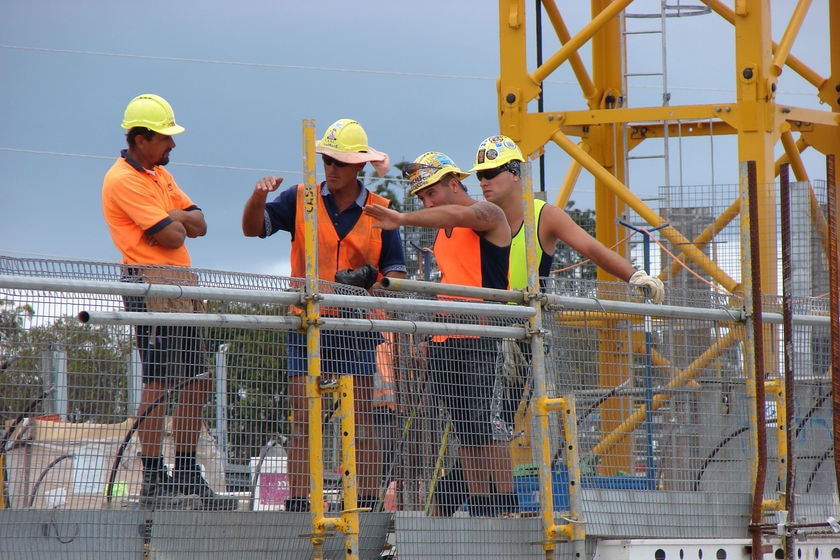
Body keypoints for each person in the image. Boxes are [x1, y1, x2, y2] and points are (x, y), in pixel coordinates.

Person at [241, 118, 407, 512]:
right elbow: (252, 230)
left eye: (339, 162)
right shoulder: (301, 198)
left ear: (359, 167)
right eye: (327, 161)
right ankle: (299, 506)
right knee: (305, 423)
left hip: (355, 327)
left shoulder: (382, 211)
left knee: (362, 424)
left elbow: (397, 274)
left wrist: (369, 281)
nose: (330, 168)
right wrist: (257, 198)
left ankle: (365, 506)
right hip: (307, 323)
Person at [363, 151, 518, 517]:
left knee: (489, 425)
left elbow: (457, 214)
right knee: (466, 431)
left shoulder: (487, 214)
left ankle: (507, 508)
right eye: (421, 199)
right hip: (448, 338)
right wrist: (383, 283)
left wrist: (401, 217)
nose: (427, 203)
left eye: (431, 194)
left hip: (483, 335)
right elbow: (450, 285)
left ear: (453, 183)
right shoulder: (442, 233)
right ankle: (483, 509)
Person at [102, 93, 236, 510]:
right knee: (159, 381)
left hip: (180, 287)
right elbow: (179, 234)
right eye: (165, 138)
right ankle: (155, 475)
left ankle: (187, 471)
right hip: (148, 286)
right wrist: (176, 220)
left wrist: (171, 217)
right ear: (140, 139)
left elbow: (199, 223)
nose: (172, 145)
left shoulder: (157, 175)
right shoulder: (123, 179)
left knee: (198, 379)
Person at [471, 134, 666, 301]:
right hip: (487, 330)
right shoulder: (478, 216)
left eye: (490, 173)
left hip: (526, 331)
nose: (483, 182)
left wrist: (634, 277)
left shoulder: (544, 216)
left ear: (516, 173)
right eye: (480, 176)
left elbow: (593, 249)